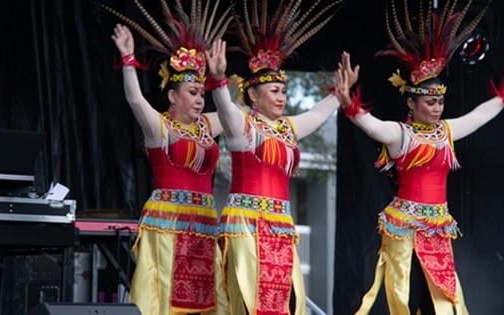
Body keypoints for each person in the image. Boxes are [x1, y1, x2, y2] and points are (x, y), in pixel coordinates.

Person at [346, 1, 504, 314]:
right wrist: (349, 103)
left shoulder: (446, 131)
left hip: (437, 228)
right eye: (430, 102)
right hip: (404, 227)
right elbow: (371, 125)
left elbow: (478, 116)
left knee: (440, 300)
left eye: (440, 101)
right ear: (412, 104)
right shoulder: (401, 135)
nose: (437, 107)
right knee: (407, 295)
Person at [204, 1, 356, 314]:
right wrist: (219, 82)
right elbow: (225, 109)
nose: (282, 97)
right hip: (245, 226)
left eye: (283, 91)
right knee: (246, 301)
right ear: (253, 96)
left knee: (282, 303)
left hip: (280, 226)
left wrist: (338, 93)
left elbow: (316, 114)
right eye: (273, 91)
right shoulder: (242, 126)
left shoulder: (288, 127)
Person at [106, 1, 232, 314]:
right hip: (167, 226)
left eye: (202, 93)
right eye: (193, 92)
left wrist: (220, 80)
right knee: (162, 301)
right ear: (173, 96)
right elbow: (135, 100)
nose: (200, 99)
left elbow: (236, 114)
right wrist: (128, 59)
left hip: (203, 225)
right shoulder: (159, 128)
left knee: (206, 302)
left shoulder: (209, 125)